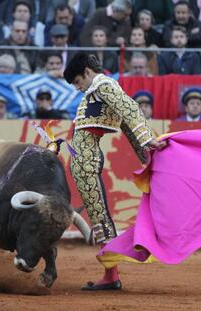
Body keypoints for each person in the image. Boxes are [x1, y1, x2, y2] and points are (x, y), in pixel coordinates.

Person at [64, 52, 166, 290]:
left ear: (87, 72)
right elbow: (124, 120)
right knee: (99, 217)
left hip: (86, 163)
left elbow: (128, 108)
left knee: (100, 219)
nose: (79, 88)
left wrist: (146, 140)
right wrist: (145, 151)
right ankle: (111, 273)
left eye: (78, 82)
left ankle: (111, 276)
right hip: (84, 162)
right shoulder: (98, 89)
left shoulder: (103, 84)